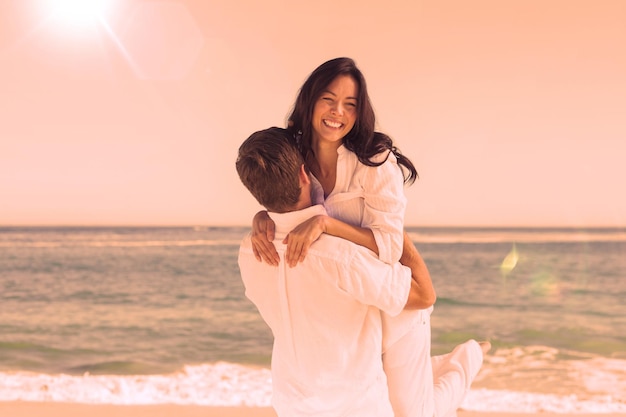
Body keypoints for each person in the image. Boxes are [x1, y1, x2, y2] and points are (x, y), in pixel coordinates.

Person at [251, 57, 489, 417]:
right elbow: (275, 193)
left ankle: (466, 359)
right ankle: (423, 373)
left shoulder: (375, 161)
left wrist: (327, 225)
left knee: (415, 414)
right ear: (310, 100)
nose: (338, 112)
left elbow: (392, 246)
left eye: (350, 104)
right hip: (350, 316)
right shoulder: (295, 152)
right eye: (329, 99)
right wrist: (261, 218)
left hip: (393, 301)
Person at [236, 127, 437, 417]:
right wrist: (392, 231)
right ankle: (464, 363)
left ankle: (459, 366)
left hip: (293, 405)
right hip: (357, 407)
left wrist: (263, 217)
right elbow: (424, 295)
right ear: (305, 176)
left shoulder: (249, 253)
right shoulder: (340, 256)